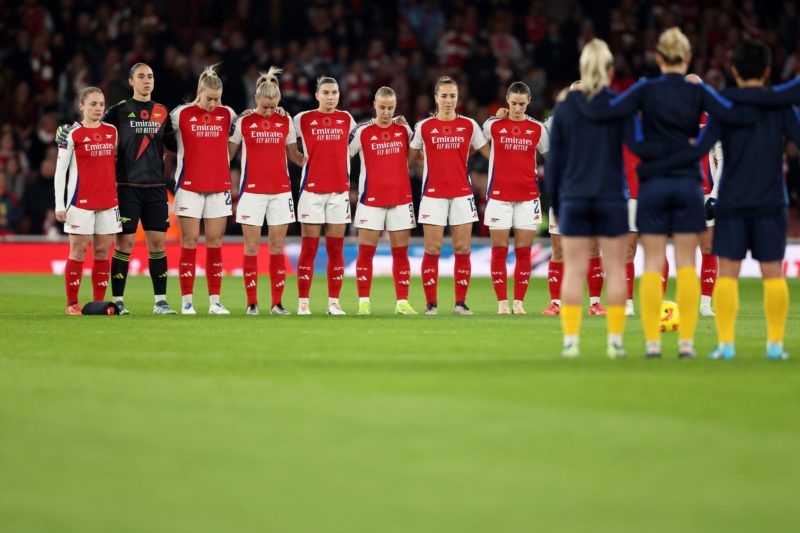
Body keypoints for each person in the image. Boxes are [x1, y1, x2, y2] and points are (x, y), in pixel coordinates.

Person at [574, 27, 758, 358]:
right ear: (686, 57)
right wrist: (698, 146)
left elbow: (611, 113)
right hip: (690, 184)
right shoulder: (698, 94)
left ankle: (652, 343)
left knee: (654, 260)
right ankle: (686, 343)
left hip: (653, 186)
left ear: (658, 58)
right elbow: (732, 118)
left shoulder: (646, 90)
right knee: (687, 263)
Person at [639, 41, 799, 360]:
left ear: (734, 71)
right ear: (767, 71)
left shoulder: (724, 105)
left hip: (732, 202)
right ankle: (775, 346)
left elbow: (700, 149)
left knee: (728, 273)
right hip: (770, 201)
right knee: (773, 275)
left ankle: (725, 345)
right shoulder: (779, 104)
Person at [546, 39, 655, 358]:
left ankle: (570, 342)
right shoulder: (618, 104)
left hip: (574, 198)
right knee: (615, 270)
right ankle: (615, 342)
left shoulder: (565, 108)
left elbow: (554, 161)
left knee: (575, 270)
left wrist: (555, 204)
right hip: (611, 198)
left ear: (582, 69)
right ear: (609, 70)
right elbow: (638, 148)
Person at [55, 63, 177, 314]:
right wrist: (63, 131)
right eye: (141, 76)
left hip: (154, 187)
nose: (147, 81)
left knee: (155, 244)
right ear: (131, 81)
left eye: (151, 76)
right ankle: (114, 301)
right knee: (122, 245)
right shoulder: (117, 113)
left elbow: (174, 143)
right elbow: (87, 127)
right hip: (125, 188)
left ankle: (159, 302)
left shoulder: (163, 112)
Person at [409, 76, 491, 315]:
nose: (448, 100)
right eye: (443, 96)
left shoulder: (469, 125)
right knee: (432, 249)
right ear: (435, 98)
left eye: (452, 96)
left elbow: (492, 156)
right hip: (433, 194)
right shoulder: (423, 127)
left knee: (463, 249)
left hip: (462, 194)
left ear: (458, 98)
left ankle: (460, 303)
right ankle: (431, 304)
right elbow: (407, 161)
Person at [229, 67, 306, 316]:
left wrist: (316, 161)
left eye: (273, 107)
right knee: (251, 249)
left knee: (276, 248)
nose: (270, 112)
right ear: (256, 100)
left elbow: (294, 155)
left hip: (281, 193)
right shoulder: (243, 121)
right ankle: (252, 303)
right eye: (265, 107)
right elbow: (227, 155)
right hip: (251, 193)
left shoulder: (285, 120)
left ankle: (277, 303)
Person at [170, 65, 237, 315]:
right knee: (188, 242)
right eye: (209, 98)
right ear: (199, 92)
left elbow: (253, 120)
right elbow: (159, 133)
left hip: (219, 187)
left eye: (217, 99)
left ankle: (215, 302)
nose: (213, 104)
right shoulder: (180, 114)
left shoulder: (228, 114)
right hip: (189, 187)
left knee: (215, 242)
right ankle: (187, 301)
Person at [481, 81, 549, 315]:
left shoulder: (538, 129)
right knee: (499, 250)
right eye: (513, 103)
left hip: (528, 197)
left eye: (521, 104)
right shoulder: (493, 125)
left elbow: (551, 157)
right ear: (506, 101)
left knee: (523, 250)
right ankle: (502, 303)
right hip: (499, 196)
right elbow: (476, 146)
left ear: (529, 102)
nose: (517, 108)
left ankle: (519, 302)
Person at [349, 86, 418, 315]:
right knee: (365, 253)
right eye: (382, 108)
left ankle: (402, 302)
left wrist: (408, 127)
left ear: (395, 107)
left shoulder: (403, 130)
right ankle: (363, 302)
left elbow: (414, 158)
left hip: (400, 199)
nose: (386, 113)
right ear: (374, 106)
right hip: (370, 200)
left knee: (401, 253)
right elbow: (342, 156)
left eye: (390, 108)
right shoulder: (362, 131)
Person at [54, 87, 121, 314]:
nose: (98, 108)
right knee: (78, 251)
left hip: (108, 201)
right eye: (92, 104)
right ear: (81, 106)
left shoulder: (112, 131)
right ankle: (72, 303)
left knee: (103, 252)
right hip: (79, 202)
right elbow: (60, 171)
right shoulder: (72, 134)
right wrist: (59, 204)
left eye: (101, 104)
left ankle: (98, 304)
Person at [293, 77, 357, 315]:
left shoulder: (346, 119)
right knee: (308, 250)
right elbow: (284, 135)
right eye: (326, 92)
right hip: (311, 192)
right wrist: (298, 158)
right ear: (316, 95)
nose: (331, 97)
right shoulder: (303, 119)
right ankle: (303, 303)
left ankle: (333, 302)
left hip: (338, 193)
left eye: (335, 92)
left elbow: (364, 137)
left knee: (336, 250)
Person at [685, 74, 723, 318]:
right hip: (677, 192)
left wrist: (716, 196)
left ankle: (705, 304)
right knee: (681, 249)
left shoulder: (712, 121)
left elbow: (723, 160)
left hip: (704, 193)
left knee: (707, 247)